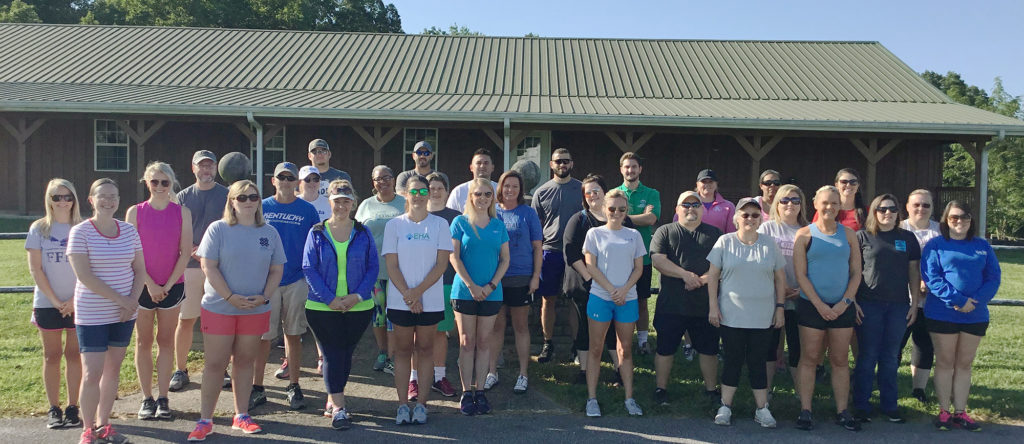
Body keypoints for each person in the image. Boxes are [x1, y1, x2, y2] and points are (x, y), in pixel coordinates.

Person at [186, 180, 286, 441]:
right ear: (231, 201)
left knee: (244, 362)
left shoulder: (269, 232)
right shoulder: (218, 229)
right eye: (241, 198)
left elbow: (277, 270)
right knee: (215, 364)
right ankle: (205, 420)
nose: (248, 202)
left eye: (253, 197)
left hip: (255, 309)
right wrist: (230, 297)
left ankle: (241, 416)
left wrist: (264, 296)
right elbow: (209, 266)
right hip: (220, 308)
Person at [67, 178, 146, 444]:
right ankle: (88, 429)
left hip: (124, 314)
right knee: (92, 372)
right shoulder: (80, 232)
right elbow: (85, 276)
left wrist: (131, 302)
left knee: (113, 370)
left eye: (113, 196)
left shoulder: (129, 230)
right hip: (92, 313)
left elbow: (140, 270)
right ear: (91, 200)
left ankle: (104, 424)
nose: (109, 201)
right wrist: (122, 301)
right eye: (103, 196)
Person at [302, 180, 379, 430]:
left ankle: (332, 397)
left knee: (344, 355)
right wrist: (330, 299)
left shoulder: (363, 232)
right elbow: (308, 267)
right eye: (337, 201)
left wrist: (356, 296)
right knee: (333, 353)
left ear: (353, 203)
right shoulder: (316, 231)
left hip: (358, 306)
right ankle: (339, 407)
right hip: (323, 308)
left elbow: (373, 267)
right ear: (330, 202)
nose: (342, 205)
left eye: (346, 201)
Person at [707, 197, 786, 427]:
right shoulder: (725, 241)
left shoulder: (769, 244)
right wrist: (713, 305)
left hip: (763, 316)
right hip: (731, 315)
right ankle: (725, 406)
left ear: (761, 218)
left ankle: (762, 409)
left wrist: (780, 308)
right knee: (732, 360)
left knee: (757, 362)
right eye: (745, 214)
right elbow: (713, 276)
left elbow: (780, 279)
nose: (750, 219)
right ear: (736, 218)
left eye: (754, 215)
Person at [922, 201, 1000, 432]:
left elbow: (993, 277)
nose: (959, 221)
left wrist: (974, 302)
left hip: (975, 315)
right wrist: (958, 300)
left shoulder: (982, 246)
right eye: (954, 217)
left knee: (964, 364)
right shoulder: (935, 245)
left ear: (971, 220)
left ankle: (961, 412)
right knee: (945, 363)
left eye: (965, 217)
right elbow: (931, 277)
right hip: (942, 313)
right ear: (946, 219)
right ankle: (944, 411)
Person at [382, 176, 454, 425]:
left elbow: (441, 264)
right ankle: (402, 405)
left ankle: (422, 405)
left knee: (425, 350)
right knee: (402, 351)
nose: (420, 195)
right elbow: (391, 265)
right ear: (405, 194)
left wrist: (418, 293)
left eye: (424, 190)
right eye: (415, 191)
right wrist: (409, 296)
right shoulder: (394, 225)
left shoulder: (440, 225)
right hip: (400, 300)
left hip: (430, 301)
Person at [125, 162, 193, 420]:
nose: (160, 187)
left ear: (172, 183)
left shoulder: (182, 212)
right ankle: (146, 398)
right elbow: (131, 252)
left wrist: (165, 285)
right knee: (143, 342)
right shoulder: (135, 212)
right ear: (147, 183)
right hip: (141, 286)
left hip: (172, 286)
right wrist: (150, 284)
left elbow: (185, 252)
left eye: (165, 182)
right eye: (155, 182)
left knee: (165, 342)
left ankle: (163, 397)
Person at [792, 185, 862, 431]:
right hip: (812, 306)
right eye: (825, 203)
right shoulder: (804, 235)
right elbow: (801, 276)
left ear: (839, 205)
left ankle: (842, 410)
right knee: (810, 358)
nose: (830, 207)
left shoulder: (850, 235)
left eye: (834, 203)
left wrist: (844, 303)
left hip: (842, 308)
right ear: (815, 204)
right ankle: (805, 409)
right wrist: (820, 305)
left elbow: (856, 273)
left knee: (840, 360)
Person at [250, 163, 319, 411]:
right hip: (266, 281)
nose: (287, 181)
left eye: (291, 178)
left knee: (294, 334)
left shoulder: (308, 210)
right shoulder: (262, 206)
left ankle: (293, 385)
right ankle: (257, 387)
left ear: (296, 182)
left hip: (297, 279)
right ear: (273, 180)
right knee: (264, 337)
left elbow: (315, 244)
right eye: (282, 177)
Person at [852, 194, 922, 423]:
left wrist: (914, 304)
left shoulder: (908, 238)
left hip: (898, 306)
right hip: (868, 304)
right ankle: (861, 405)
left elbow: (914, 272)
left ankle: (889, 405)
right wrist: (852, 301)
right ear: (874, 211)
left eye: (892, 209)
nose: (887, 213)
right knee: (868, 355)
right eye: (882, 209)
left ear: (898, 212)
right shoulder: (862, 236)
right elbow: (853, 272)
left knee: (891, 357)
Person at [650, 191, 722, 407]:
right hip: (671, 304)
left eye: (695, 204)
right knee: (665, 349)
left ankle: (711, 391)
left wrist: (700, 280)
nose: (691, 208)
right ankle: (661, 389)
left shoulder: (715, 234)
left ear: (702, 208)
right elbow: (658, 261)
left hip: (705, 305)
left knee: (709, 350)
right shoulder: (665, 231)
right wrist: (685, 275)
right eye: (686, 204)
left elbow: (722, 266)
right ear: (677, 209)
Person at [582, 188, 646, 418]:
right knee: (596, 348)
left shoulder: (634, 235)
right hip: (601, 297)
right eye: (612, 209)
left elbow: (639, 268)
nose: (616, 213)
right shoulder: (594, 234)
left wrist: (624, 290)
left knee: (625, 349)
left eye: (621, 209)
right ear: (603, 208)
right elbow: (590, 266)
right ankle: (592, 398)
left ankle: (629, 398)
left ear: (626, 210)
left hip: (627, 299)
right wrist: (611, 290)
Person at [449, 178, 510, 416]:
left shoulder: (498, 225)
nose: (482, 198)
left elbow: (505, 259)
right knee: (466, 342)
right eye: (478, 194)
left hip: (492, 293)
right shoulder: (460, 222)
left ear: (492, 198)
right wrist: (472, 285)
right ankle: (466, 392)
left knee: (484, 343)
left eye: (487, 194)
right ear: (471, 197)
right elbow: (454, 257)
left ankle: (481, 392)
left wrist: (491, 285)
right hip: (465, 291)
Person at [27, 178, 84, 430]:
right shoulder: (39, 229)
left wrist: (73, 300)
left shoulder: (83, 227)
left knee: (74, 355)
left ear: (74, 199)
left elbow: (89, 269)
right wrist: (56, 301)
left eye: (67, 196)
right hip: (47, 303)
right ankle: (54, 408)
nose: (63, 202)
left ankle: (73, 407)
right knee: (51, 356)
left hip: (79, 302)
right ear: (48, 200)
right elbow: (36, 270)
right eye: (56, 197)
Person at [563, 174, 630, 384]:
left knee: (612, 329)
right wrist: (590, 279)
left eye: (596, 191)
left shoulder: (620, 219)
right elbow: (571, 253)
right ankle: (584, 371)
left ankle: (619, 369)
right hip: (585, 284)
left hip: (615, 285)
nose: (592, 195)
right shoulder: (579, 220)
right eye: (588, 192)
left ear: (605, 192)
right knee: (585, 328)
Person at [171, 150, 228, 392]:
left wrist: (210, 252)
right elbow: (173, 231)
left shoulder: (227, 195)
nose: (206, 170)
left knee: (218, 321)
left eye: (210, 166)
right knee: (186, 319)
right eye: (201, 166)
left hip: (219, 267)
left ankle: (220, 368)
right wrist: (192, 250)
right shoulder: (182, 197)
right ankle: (180, 369)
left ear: (216, 168)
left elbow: (232, 227)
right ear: (193, 169)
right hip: (191, 266)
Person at [488, 171, 543, 394]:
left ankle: (523, 374)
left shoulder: (528, 213)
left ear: (521, 190)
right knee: (496, 327)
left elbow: (538, 247)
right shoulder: (492, 213)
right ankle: (492, 371)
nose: (510, 190)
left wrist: (536, 276)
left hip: (521, 276)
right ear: (500, 188)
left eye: (515, 187)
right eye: (506, 186)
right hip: (495, 278)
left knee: (521, 327)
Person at [532, 148, 583, 364]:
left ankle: (577, 344)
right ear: (551, 164)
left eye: (566, 161)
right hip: (550, 251)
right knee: (548, 299)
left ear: (572, 164)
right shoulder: (541, 192)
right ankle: (548, 343)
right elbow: (536, 226)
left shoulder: (582, 189)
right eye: (558, 161)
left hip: (576, 253)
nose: (562, 165)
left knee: (575, 299)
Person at [355, 165, 407, 374]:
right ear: (373, 182)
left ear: (394, 180)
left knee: (395, 315)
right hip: (374, 271)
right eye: (378, 179)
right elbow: (357, 235)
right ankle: (383, 352)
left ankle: (396, 356)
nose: (383, 182)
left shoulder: (404, 203)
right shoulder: (366, 206)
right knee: (378, 315)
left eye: (387, 177)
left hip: (400, 271)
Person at [757, 184, 808, 394]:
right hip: (771, 297)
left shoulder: (808, 229)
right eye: (785, 200)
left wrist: (801, 289)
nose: (790, 205)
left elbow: (814, 263)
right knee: (769, 347)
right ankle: (766, 393)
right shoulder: (766, 228)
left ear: (801, 205)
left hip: (800, 296)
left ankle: (800, 395)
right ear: (776, 204)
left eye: (795, 200)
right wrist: (781, 287)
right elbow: (759, 261)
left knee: (798, 348)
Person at [615, 152, 660, 354]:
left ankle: (642, 341)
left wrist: (624, 217)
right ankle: (619, 340)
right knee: (619, 299)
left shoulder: (652, 193)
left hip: (643, 258)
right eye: (626, 166)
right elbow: (610, 219)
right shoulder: (614, 193)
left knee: (642, 300)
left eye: (634, 166)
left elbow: (651, 219)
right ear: (621, 169)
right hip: (619, 257)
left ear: (640, 169)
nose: (630, 170)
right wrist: (639, 217)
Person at [899, 189, 941, 403]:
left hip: (932, 299)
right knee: (895, 343)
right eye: (916, 204)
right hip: (902, 298)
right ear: (907, 206)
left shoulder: (941, 231)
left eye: (926, 205)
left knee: (924, 344)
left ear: (932, 208)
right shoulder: (898, 229)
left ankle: (919, 389)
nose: (921, 209)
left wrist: (931, 284)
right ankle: (887, 384)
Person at [426, 172, 461, 398]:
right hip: (418, 284)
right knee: (416, 336)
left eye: (440, 188)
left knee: (440, 333)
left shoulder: (456, 217)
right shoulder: (415, 216)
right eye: (431, 187)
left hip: (447, 281)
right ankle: (415, 380)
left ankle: (439, 378)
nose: (435, 191)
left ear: (447, 191)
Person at [446, 148, 498, 213]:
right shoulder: (459, 191)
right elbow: (450, 216)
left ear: (492, 167)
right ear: (471, 167)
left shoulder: (499, 190)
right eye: (478, 163)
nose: (482, 166)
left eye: (486, 163)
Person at [694, 169, 736, 233]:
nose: (707, 184)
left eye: (710, 181)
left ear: (716, 184)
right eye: (704, 181)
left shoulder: (729, 207)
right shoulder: (688, 205)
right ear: (697, 184)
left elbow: (731, 233)